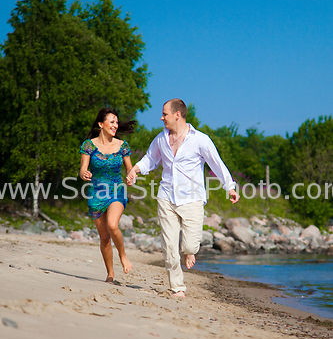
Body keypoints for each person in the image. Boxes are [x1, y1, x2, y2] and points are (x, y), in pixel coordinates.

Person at [126, 98, 240, 298]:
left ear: (177, 114)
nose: (161, 118)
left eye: (165, 114)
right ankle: (177, 287)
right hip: (166, 197)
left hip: (193, 199)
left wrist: (230, 187)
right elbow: (150, 159)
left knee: (189, 245)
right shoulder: (161, 139)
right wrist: (135, 169)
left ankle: (189, 251)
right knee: (169, 246)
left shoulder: (200, 139)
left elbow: (217, 163)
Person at [80, 108, 135, 283]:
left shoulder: (122, 146)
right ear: (101, 124)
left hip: (116, 190)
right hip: (96, 193)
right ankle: (110, 274)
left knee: (112, 225)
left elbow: (130, 169)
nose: (115, 125)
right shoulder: (88, 145)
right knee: (104, 237)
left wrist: (131, 176)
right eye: (111, 122)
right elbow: (83, 168)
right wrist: (84, 173)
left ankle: (123, 255)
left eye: (117, 122)